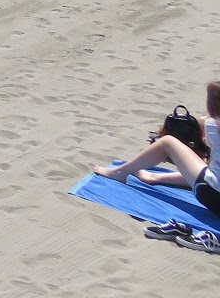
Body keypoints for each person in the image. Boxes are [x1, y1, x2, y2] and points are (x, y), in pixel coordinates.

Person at [92, 81, 220, 217]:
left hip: (213, 196)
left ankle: (118, 173)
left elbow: (204, 119)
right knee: (211, 169)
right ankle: (154, 177)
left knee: (167, 142)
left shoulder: (211, 125)